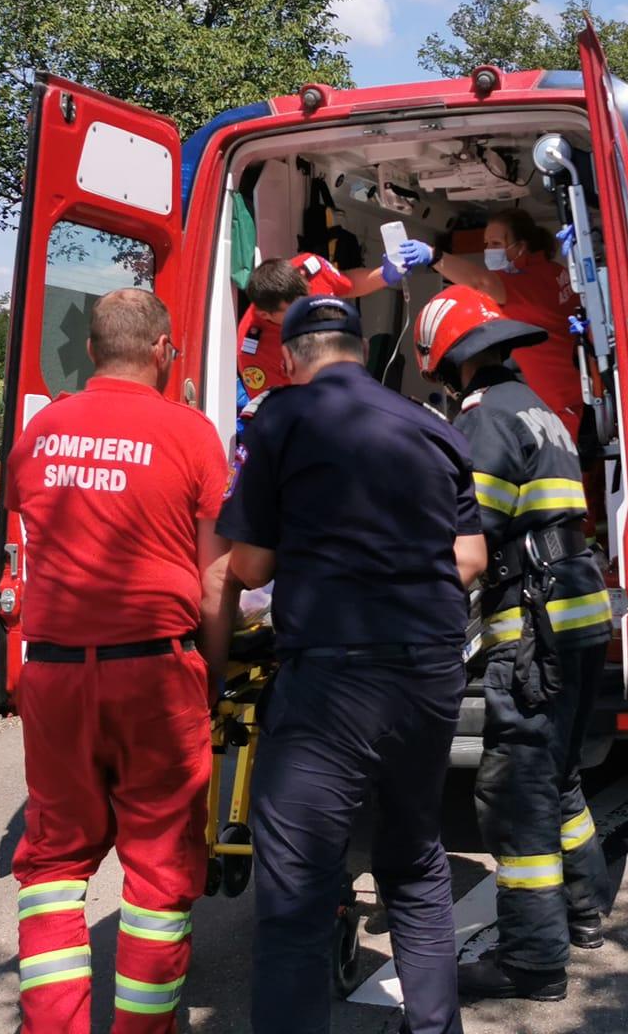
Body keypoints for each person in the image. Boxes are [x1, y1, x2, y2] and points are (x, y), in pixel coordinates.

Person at [220, 295, 486, 1034]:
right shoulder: (435, 431)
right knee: (415, 861)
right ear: (363, 354)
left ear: (290, 359)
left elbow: (248, 561)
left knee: (296, 892)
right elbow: (470, 555)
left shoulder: (281, 417)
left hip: (334, 677)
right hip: (430, 669)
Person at [3, 290, 237, 1034]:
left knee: (53, 866)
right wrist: (215, 671)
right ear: (165, 351)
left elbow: (31, 525)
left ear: (90, 350)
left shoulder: (43, 430)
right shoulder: (190, 433)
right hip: (154, 671)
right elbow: (215, 577)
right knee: (160, 872)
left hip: (54, 672)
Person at [411, 287, 613, 1003]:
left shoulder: (486, 420)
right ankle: (585, 913)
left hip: (534, 630)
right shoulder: (537, 408)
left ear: (449, 359)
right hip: (579, 617)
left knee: (515, 791)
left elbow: (467, 536)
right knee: (558, 778)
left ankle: (531, 962)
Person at [387, 209, 586, 441]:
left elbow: (481, 282)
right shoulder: (556, 272)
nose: (489, 249)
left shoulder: (533, 281)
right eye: (487, 243)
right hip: (559, 400)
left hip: (552, 408)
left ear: (520, 247)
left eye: (496, 243)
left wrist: (434, 256)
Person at [237, 253, 388, 400]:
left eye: (307, 299)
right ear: (265, 315)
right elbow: (274, 408)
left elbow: (348, 283)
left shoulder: (312, 269)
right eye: (296, 309)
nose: (307, 309)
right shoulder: (253, 353)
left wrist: (385, 274)